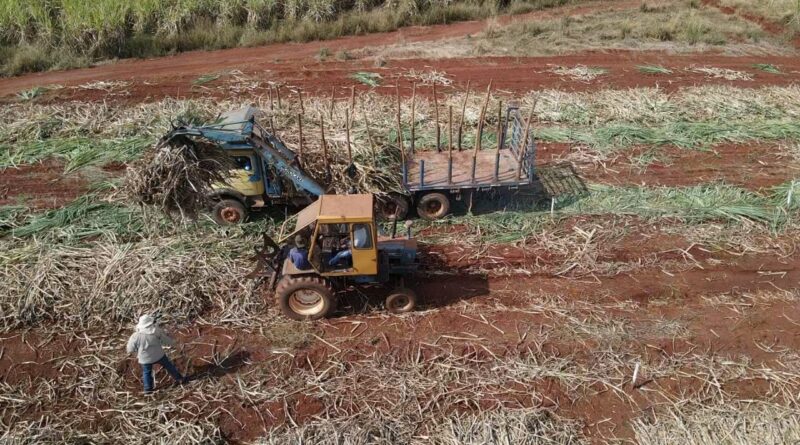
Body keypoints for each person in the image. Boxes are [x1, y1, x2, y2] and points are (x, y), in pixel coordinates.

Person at [126, 314, 188, 393]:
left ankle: (148, 389)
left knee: (147, 372)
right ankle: (179, 379)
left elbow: (130, 348)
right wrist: (174, 343)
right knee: (168, 366)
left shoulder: (135, 336)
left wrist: (133, 352)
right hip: (159, 355)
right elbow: (165, 340)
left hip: (145, 359)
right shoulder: (155, 331)